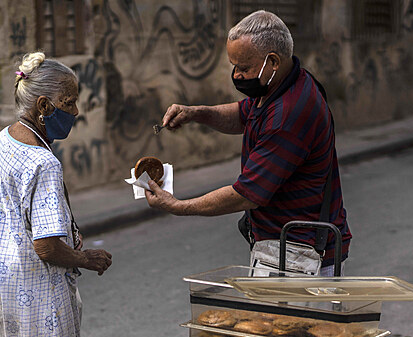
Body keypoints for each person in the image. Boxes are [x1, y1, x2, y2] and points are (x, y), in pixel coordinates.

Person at [145, 10, 351, 275]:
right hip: (285, 248)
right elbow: (243, 115)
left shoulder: (287, 114)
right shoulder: (283, 83)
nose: (237, 75)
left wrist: (178, 206)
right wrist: (197, 113)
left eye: (243, 68)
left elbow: (247, 194)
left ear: (273, 61)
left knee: (287, 320)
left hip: (301, 254)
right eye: (234, 66)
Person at [0, 52, 112, 337]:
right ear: (43, 106)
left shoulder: (4, 139)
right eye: (69, 102)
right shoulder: (43, 162)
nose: (76, 111)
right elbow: (46, 246)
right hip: (33, 285)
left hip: (0, 279)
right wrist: (86, 259)